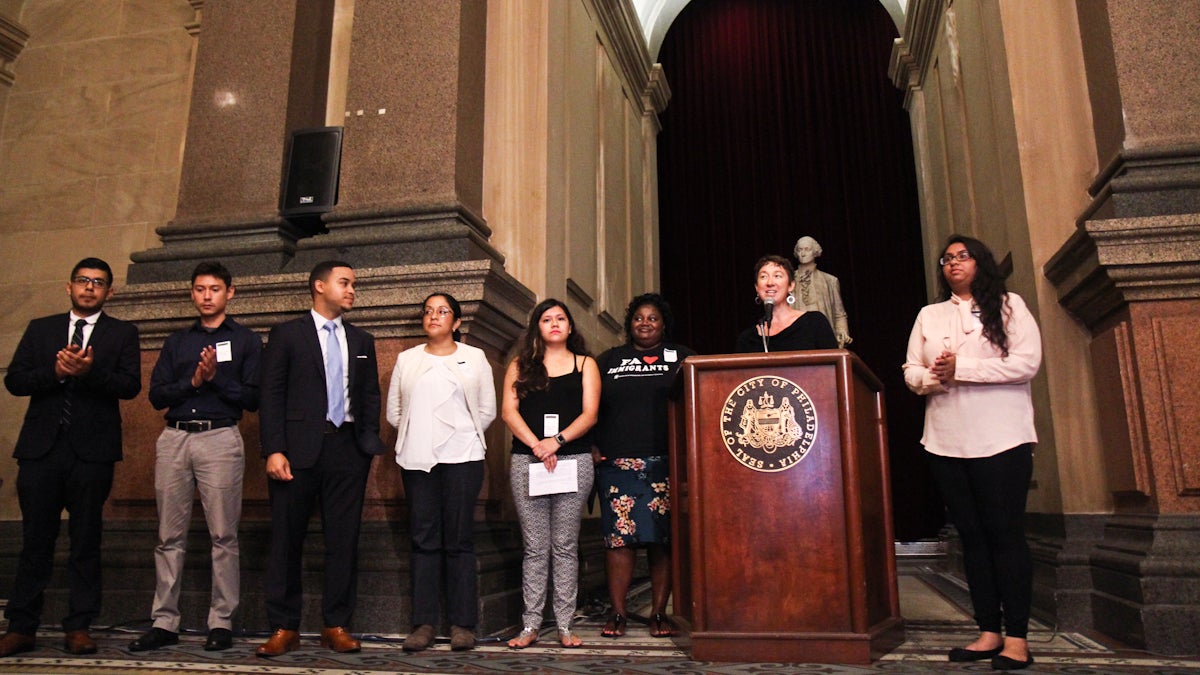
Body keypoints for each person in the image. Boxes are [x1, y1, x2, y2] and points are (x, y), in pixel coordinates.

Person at [903, 235, 1042, 671]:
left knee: (1005, 535)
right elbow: (910, 370)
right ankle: (988, 631)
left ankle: (1017, 638)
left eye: (962, 257)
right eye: (946, 259)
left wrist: (962, 369)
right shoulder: (930, 313)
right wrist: (936, 377)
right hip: (946, 440)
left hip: (1002, 438)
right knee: (973, 538)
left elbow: (1026, 363)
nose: (953, 264)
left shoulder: (1010, 305)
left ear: (981, 262)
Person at [0, 257, 141, 658]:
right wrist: (58, 373)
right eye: (83, 281)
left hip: (91, 453)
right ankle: (21, 626)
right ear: (69, 286)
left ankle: (79, 626)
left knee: (85, 541)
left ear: (109, 292)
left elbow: (130, 386)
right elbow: (15, 380)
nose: (89, 288)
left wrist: (88, 372)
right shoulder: (41, 328)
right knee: (35, 542)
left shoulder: (121, 333)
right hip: (41, 451)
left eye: (98, 283)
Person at [128, 261, 262, 653]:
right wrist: (194, 381)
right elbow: (157, 396)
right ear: (192, 293)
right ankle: (165, 621)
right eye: (200, 289)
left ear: (230, 293)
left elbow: (253, 398)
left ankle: (220, 621)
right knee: (169, 535)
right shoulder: (176, 342)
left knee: (223, 534)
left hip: (219, 437)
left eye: (215, 289)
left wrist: (215, 377)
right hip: (174, 439)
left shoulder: (246, 341)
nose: (207, 296)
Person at [255, 260, 386, 657]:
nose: (351, 291)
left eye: (353, 284)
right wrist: (274, 448)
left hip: (347, 450)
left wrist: (368, 443)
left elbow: (369, 397)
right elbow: (271, 395)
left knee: (343, 541)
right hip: (296, 451)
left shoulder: (362, 340)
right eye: (344, 283)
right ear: (319, 286)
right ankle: (283, 626)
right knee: (286, 539)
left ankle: (336, 624)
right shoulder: (287, 335)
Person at [387, 292, 497, 652]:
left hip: (463, 457)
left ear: (457, 322)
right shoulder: (407, 360)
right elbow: (395, 413)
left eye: (442, 311)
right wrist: (419, 435)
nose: (433, 316)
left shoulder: (474, 358)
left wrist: (460, 435)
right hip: (417, 461)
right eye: (428, 311)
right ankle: (423, 623)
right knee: (423, 540)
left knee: (459, 539)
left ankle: (462, 624)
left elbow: (487, 410)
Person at [593, 294, 695, 639]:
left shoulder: (683, 358)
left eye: (653, 318)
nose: (645, 323)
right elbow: (591, 406)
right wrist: (592, 444)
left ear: (663, 323)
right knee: (618, 541)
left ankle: (658, 614)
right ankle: (619, 613)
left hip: (667, 461)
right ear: (629, 324)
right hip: (616, 462)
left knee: (660, 541)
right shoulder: (609, 360)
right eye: (639, 318)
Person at [502, 299, 599, 649]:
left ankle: (564, 624)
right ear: (537, 328)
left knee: (564, 546)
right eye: (547, 319)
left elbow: (590, 414)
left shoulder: (585, 364)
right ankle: (529, 625)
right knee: (535, 547)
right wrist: (537, 446)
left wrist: (555, 442)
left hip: (572, 460)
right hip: (528, 461)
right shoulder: (520, 365)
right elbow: (509, 412)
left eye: (561, 318)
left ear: (570, 327)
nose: (555, 323)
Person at [735, 254, 837, 353]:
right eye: (763, 276)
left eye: (777, 276)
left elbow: (835, 364)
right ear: (757, 287)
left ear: (791, 286)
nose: (770, 283)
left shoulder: (814, 323)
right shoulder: (747, 339)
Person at [790, 236, 852, 347]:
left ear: (815, 252)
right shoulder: (787, 280)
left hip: (823, 337)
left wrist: (842, 331)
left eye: (807, 249)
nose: (803, 253)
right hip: (794, 337)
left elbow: (839, 313)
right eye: (799, 250)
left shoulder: (830, 281)